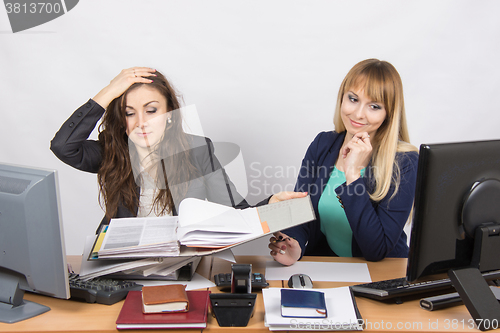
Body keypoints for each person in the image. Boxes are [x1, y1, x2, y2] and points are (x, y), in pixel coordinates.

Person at [51, 67, 247, 231]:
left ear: (170, 113)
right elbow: (63, 147)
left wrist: (273, 204)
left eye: (151, 110)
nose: (141, 123)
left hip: (179, 263)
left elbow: (234, 212)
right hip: (121, 262)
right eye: (129, 113)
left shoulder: (198, 150)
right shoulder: (113, 152)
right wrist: (109, 91)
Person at [267, 59, 419, 264]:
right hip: (333, 267)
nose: (358, 114)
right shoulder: (323, 144)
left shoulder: (404, 162)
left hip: (384, 272)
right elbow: (302, 211)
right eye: (353, 99)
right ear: (342, 98)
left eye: (374, 106)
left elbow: (376, 250)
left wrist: (353, 174)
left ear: (388, 114)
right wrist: (295, 247)